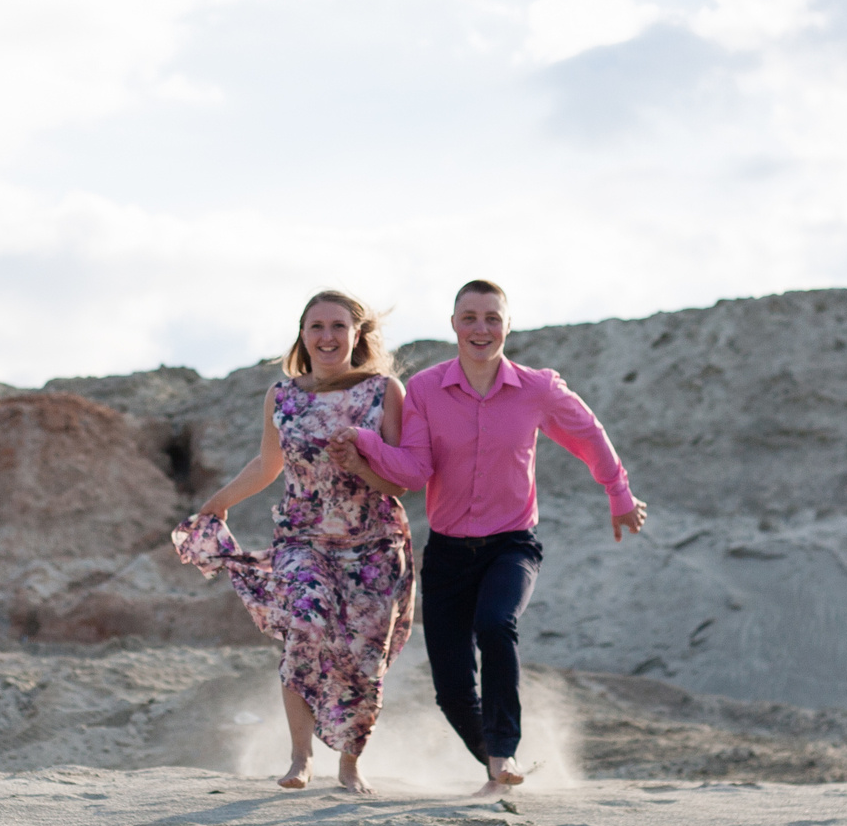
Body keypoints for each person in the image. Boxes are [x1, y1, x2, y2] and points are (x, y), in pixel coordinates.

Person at [332, 279, 644, 796]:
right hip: (448, 553)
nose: (481, 328)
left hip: (511, 544)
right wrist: (366, 443)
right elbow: (414, 470)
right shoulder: (427, 390)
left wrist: (620, 494)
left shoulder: (537, 389)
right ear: (454, 324)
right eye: (470, 317)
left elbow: (588, 434)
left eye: (492, 318)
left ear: (506, 325)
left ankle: (504, 751)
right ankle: (499, 768)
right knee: (452, 690)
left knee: (496, 626)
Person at [172, 291, 417, 795]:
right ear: (302, 335)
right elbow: (267, 466)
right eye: (316, 327)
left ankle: (349, 766)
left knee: (361, 661)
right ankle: (300, 758)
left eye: (337, 327)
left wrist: (361, 467)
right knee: (303, 626)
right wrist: (216, 505)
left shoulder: (383, 391)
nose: (327, 337)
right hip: (302, 539)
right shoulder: (282, 396)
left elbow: (401, 480)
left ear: (356, 335)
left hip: (373, 546)